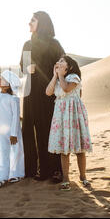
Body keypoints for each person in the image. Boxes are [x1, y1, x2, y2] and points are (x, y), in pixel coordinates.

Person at [19, 11, 65, 182]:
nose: (29, 23)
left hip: (49, 92)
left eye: (33, 20)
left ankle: (54, 170)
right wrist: (27, 67)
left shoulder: (54, 44)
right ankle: (33, 169)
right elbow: (22, 66)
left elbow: (63, 64)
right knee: (31, 129)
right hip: (31, 92)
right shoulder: (27, 44)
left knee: (49, 128)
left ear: (42, 23)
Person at [46, 55, 93, 191]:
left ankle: (83, 177)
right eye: (58, 60)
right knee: (63, 149)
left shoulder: (74, 78)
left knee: (80, 149)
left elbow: (66, 89)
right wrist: (55, 76)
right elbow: (48, 92)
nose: (58, 62)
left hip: (74, 115)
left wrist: (60, 75)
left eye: (62, 61)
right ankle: (66, 178)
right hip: (61, 115)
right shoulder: (59, 78)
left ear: (69, 66)